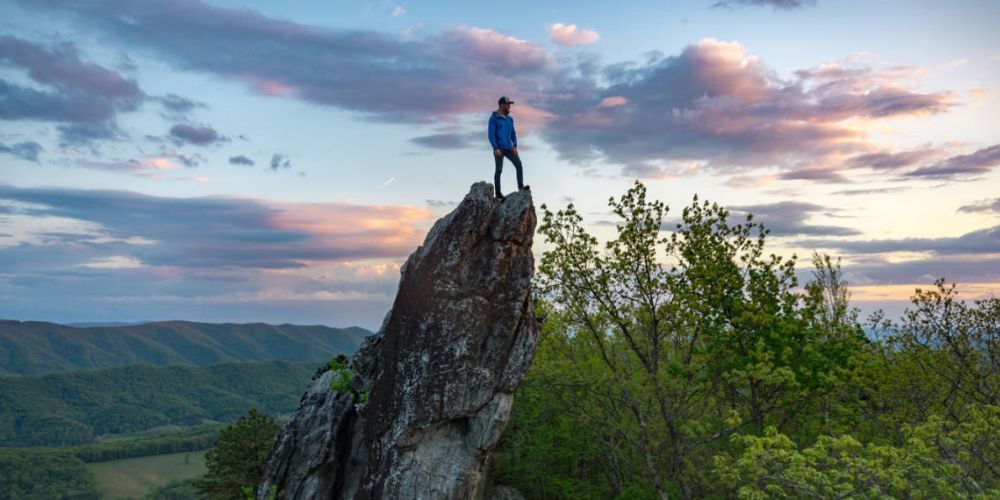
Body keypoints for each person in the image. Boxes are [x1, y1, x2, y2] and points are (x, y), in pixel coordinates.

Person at [488, 96, 529, 200]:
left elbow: (513, 133)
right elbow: (491, 134)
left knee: (519, 165)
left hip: (510, 148)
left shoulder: (510, 119)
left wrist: (515, 145)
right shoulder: (493, 119)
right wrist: (495, 148)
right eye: (507, 104)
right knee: (499, 170)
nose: (509, 106)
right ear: (501, 105)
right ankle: (498, 193)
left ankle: (521, 187)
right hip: (499, 149)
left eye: (509, 104)